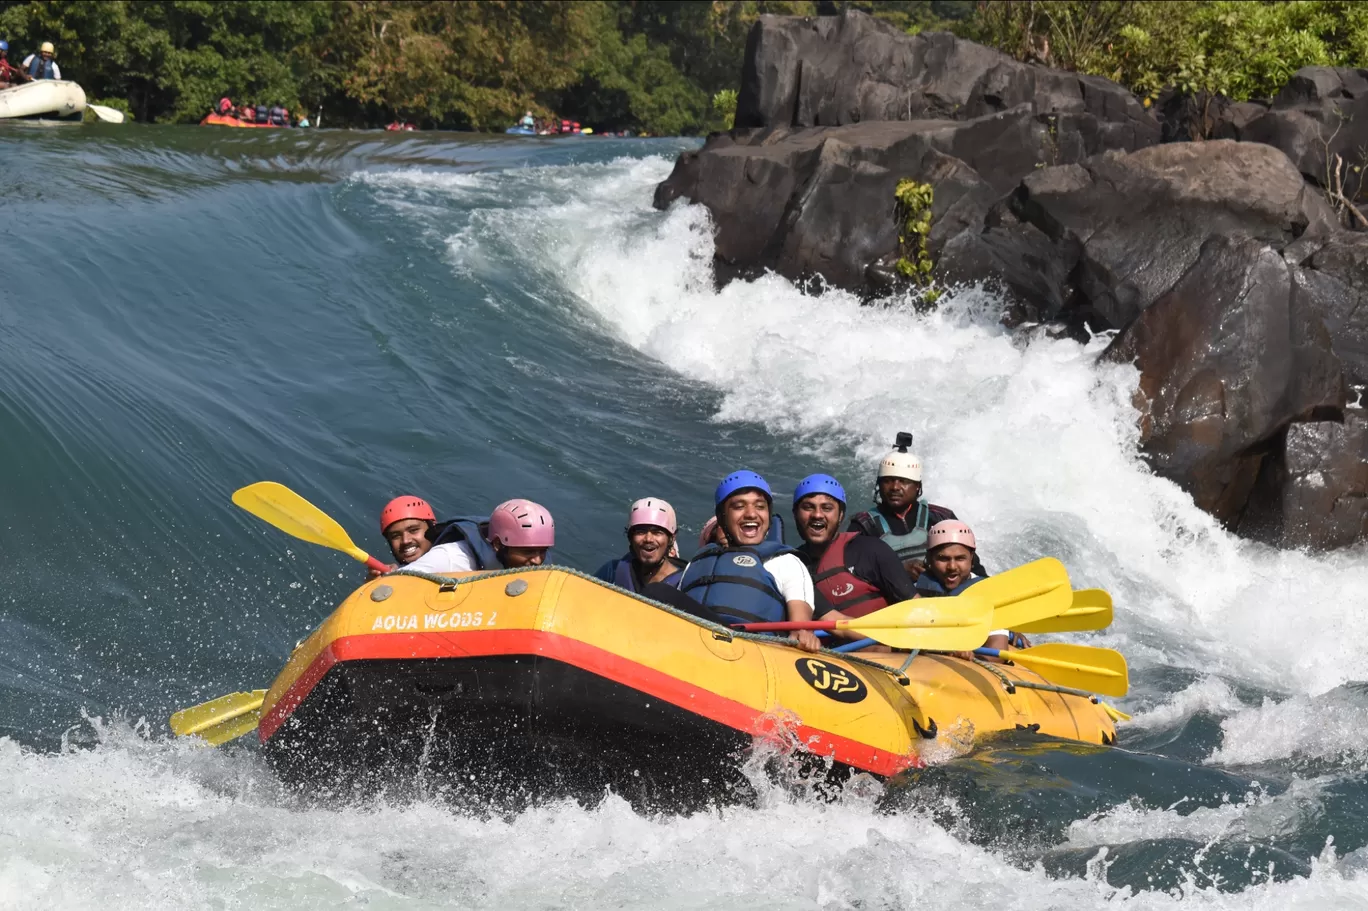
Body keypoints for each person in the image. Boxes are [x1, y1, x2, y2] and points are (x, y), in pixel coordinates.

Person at [677, 470, 821, 652]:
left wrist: (802, 632)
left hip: (753, 653)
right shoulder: (696, 563)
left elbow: (800, 622)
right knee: (657, 592)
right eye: (739, 506)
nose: (751, 514)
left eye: (760, 506)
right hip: (692, 647)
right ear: (722, 517)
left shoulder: (784, 562)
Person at [791, 475, 916, 639]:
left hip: (885, 658)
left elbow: (915, 607)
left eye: (827, 508)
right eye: (808, 507)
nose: (817, 515)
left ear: (841, 515)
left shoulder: (870, 550)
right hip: (825, 661)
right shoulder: (791, 566)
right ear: (795, 514)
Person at [848, 432, 983, 581]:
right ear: (879, 484)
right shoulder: (864, 526)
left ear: (917, 486)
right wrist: (899, 571)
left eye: (904, 481)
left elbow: (972, 565)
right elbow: (851, 572)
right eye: (888, 481)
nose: (895, 487)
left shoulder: (941, 518)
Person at [916, 520, 1026, 659]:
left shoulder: (987, 594)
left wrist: (969, 656)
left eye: (960, 558)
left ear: (971, 558)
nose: (952, 567)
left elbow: (996, 654)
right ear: (930, 559)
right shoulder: (914, 590)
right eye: (943, 559)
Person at [404, 498, 553, 574]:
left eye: (543, 550)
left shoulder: (536, 565)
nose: (537, 560)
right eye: (527, 552)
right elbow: (396, 582)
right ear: (497, 545)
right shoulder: (451, 557)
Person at [595, 498, 684, 592]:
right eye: (640, 532)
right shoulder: (612, 571)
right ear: (630, 537)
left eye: (657, 532)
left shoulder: (684, 585)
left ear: (672, 538)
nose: (648, 539)